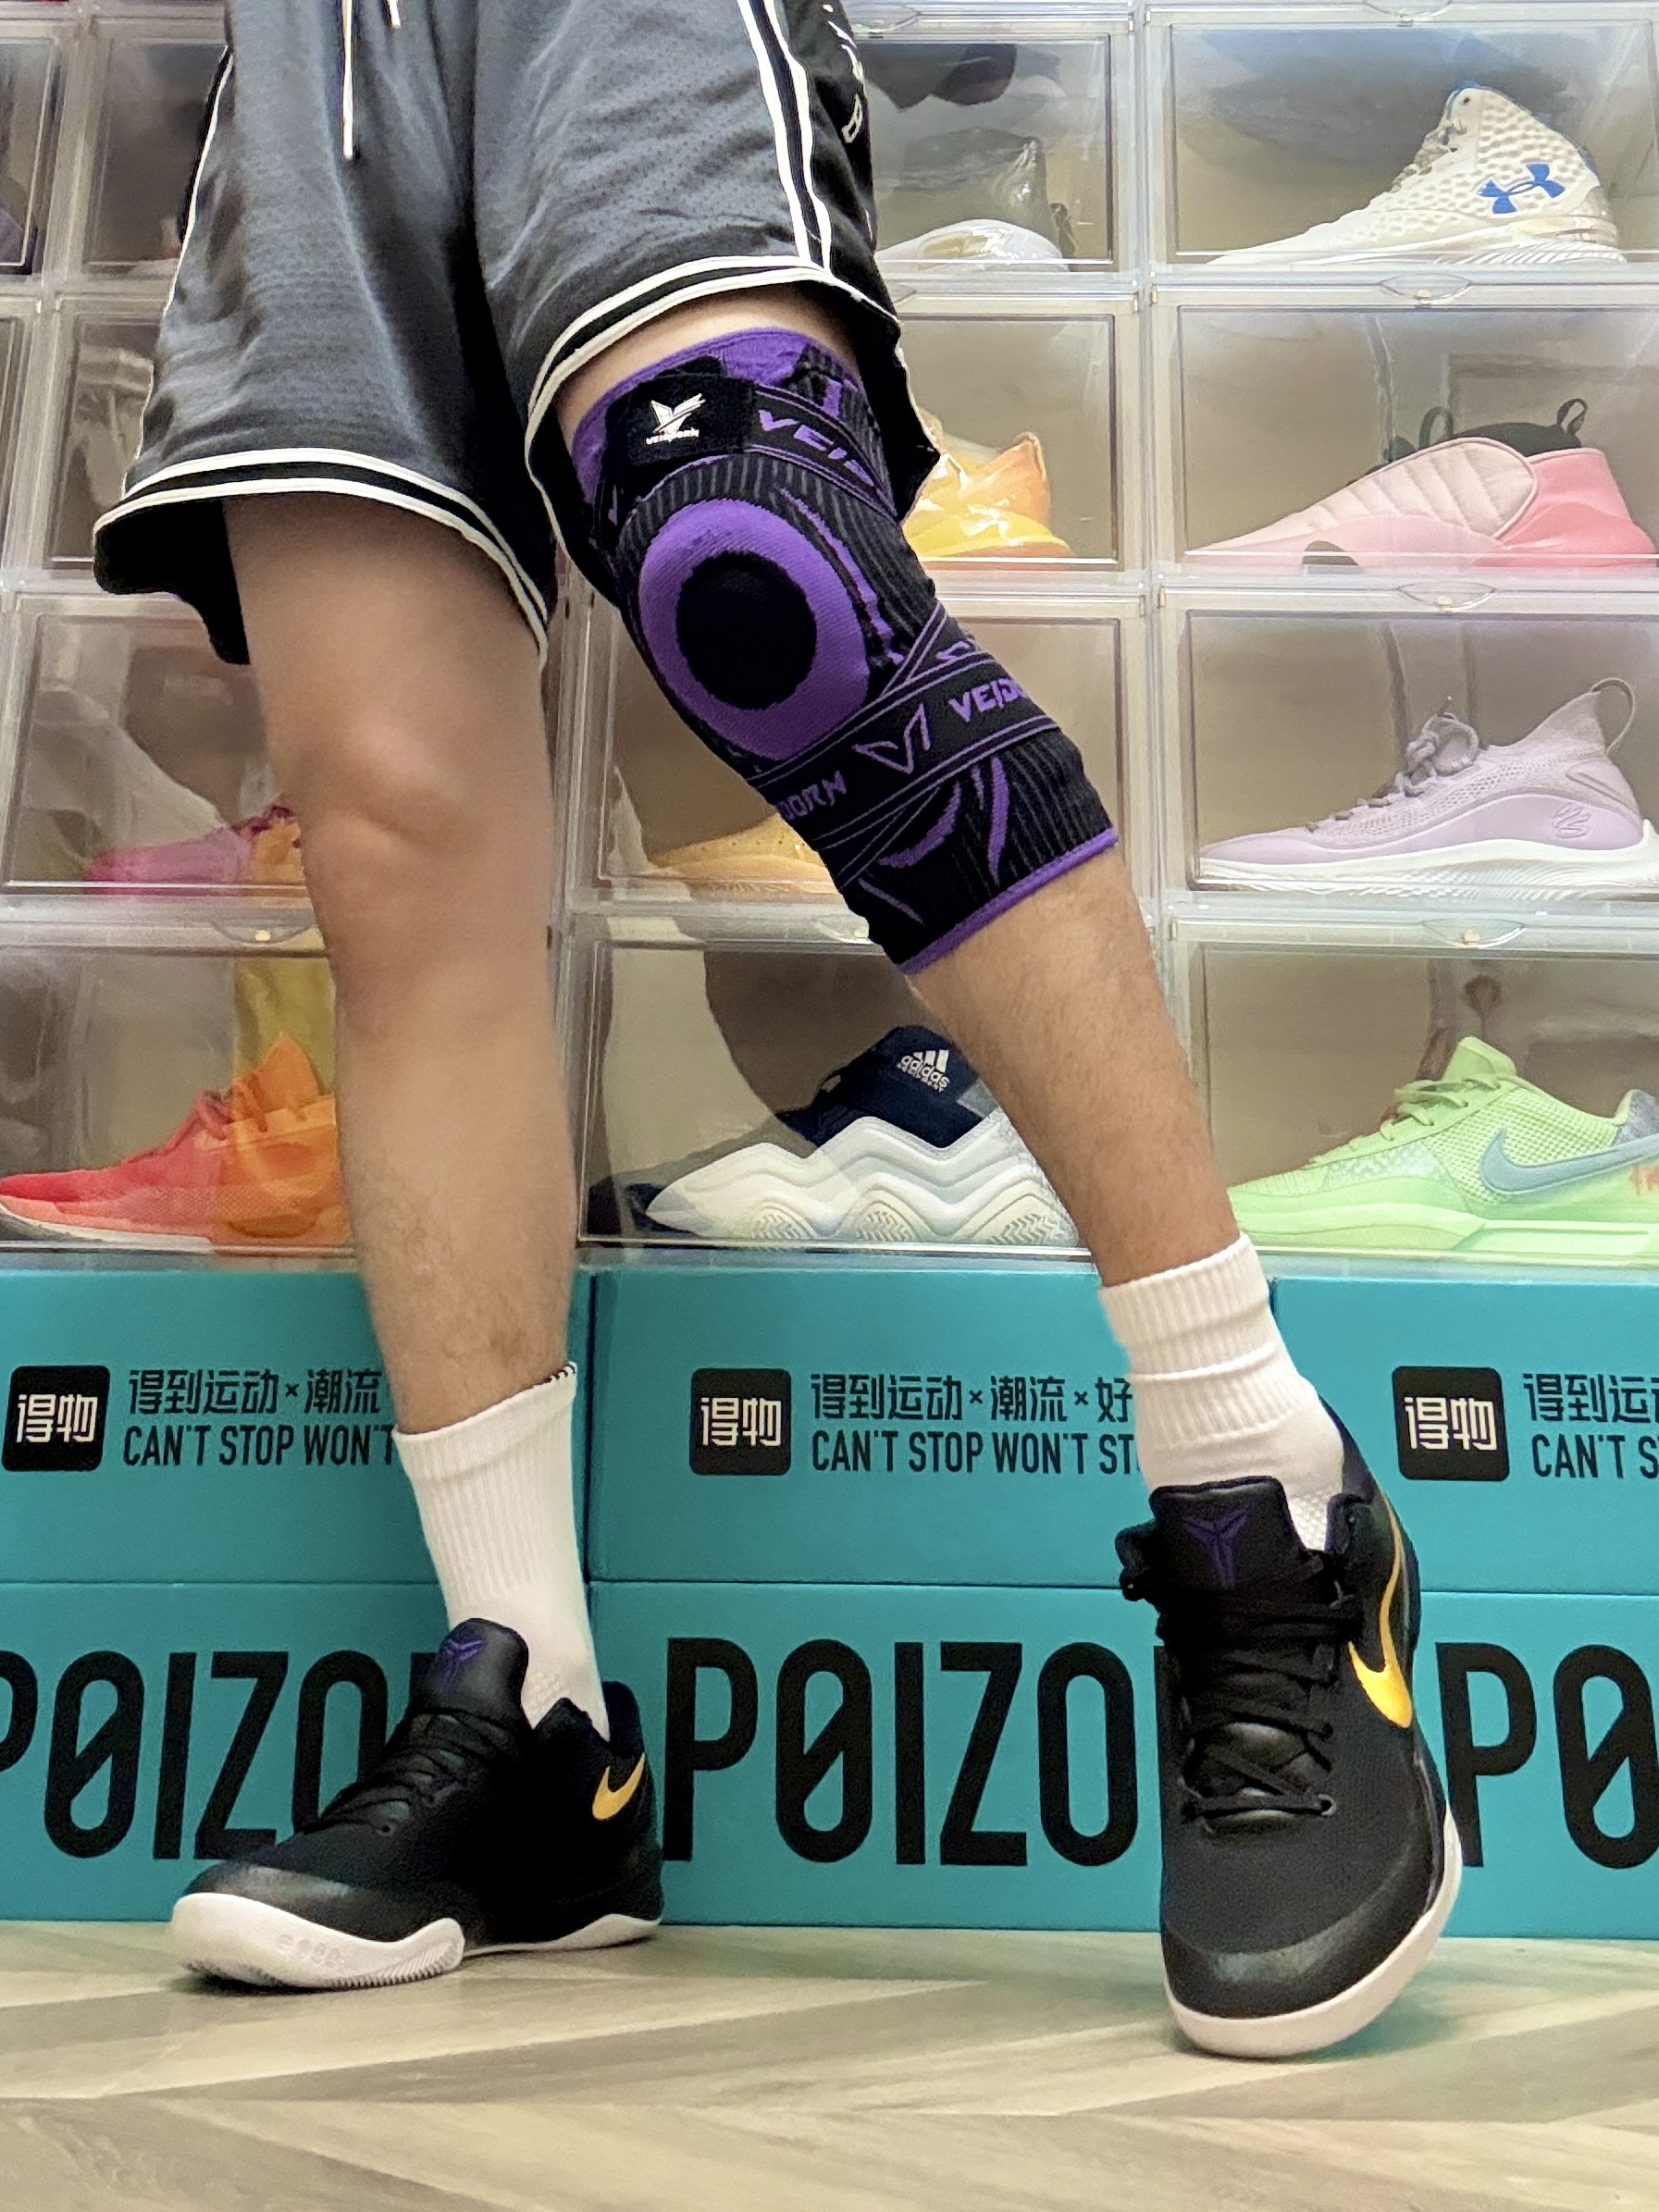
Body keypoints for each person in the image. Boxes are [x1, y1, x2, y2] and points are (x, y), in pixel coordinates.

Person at [93, 0, 1455, 2058]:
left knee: (758, 566)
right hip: (315, 52)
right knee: (385, 831)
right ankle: (539, 1721)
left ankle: (1262, 1485)